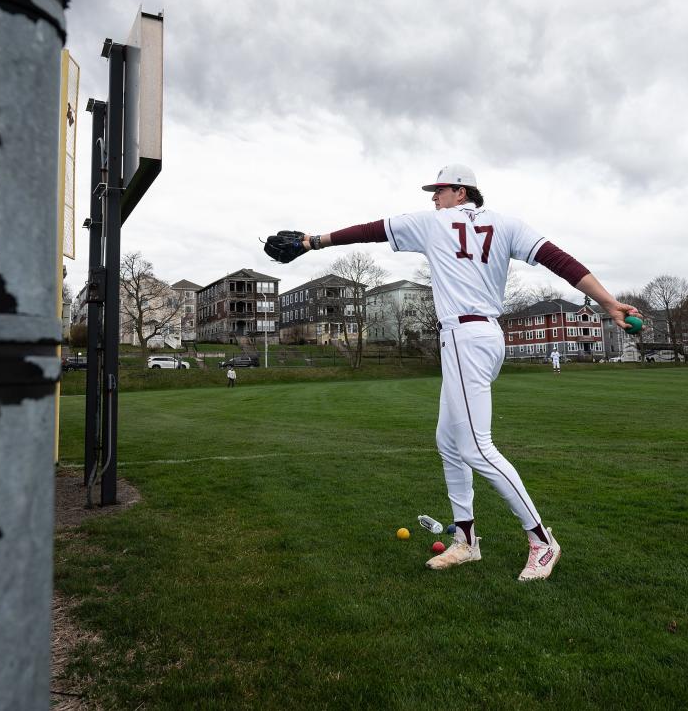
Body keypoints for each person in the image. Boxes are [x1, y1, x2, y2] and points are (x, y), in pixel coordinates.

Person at [263, 164, 641, 582]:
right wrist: (608, 302)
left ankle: (541, 541)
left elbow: (370, 230)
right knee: (448, 441)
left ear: (462, 192)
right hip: (487, 336)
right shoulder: (509, 223)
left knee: (477, 448)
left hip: (464, 338)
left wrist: (311, 241)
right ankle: (466, 540)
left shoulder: (433, 223)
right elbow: (560, 261)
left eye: (439, 190)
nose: (433, 197)